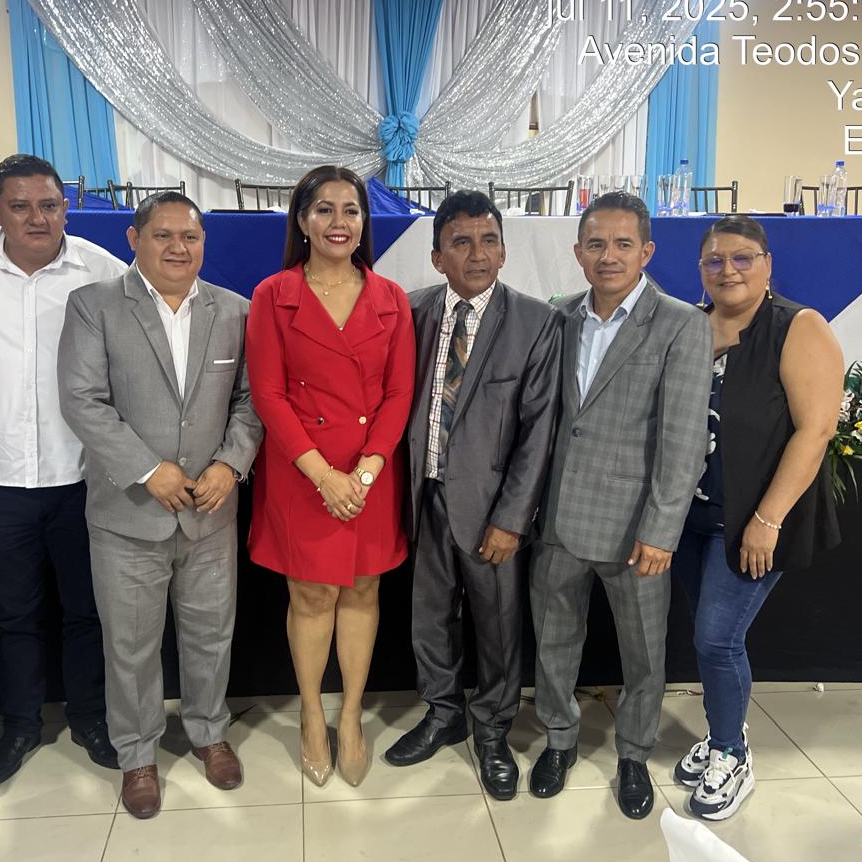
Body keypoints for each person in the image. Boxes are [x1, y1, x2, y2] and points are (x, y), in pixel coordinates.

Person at [58, 191, 261, 819]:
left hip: (210, 513)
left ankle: (209, 731)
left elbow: (252, 400)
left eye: (190, 237)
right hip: (127, 515)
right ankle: (138, 754)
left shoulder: (235, 310)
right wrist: (149, 470)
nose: (178, 247)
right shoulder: (94, 305)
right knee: (131, 645)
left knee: (211, 634)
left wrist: (231, 463)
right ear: (134, 239)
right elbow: (82, 399)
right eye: (164, 235)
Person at [0, 154, 126, 788]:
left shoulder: (102, 270)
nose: (36, 218)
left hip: (82, 477)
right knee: (13, 615)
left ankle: (90, 719)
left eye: (48, 205)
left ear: (65, 207)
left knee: (87, 612)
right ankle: (19, 727)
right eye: (19, 207)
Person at [530, 191, 711, 819]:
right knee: (554, 642)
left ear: (647, 251)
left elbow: (684, 440)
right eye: (596, 244)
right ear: (579, 252)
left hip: (637, 527)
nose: (609, 256)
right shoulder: (558, 317)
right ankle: (559, 740)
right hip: (558, 517)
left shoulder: (681, 324)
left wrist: (661, 529)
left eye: (623, 244)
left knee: (643, 653)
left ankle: (634, 753)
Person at [385, 190, 561, 800]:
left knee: (497, 624)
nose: (477, 254)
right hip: (423, 495)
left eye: (489, 241)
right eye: (461, 243)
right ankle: (442, 712)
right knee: (429, 615)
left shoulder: (536, 323)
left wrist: (512, 517)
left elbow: (539, 432)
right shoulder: (411, 312)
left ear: (505, 251)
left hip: (491, 510)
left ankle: (492, 728)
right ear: (437, 257)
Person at [245, 165, 414, 788]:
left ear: (365, 222)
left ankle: (351, 716)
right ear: (302, 220)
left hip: (371, 470)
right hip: (303, 470)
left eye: (351, 210)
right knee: (311, 596)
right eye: (324, 209)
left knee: (364, 591)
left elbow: (399, 393)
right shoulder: (273, 295)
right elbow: (268, 394)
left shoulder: (391, 297)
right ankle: (312, 715)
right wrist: (323, 476)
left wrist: (365, 472)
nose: (338, 222)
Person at [671, 215, 843, 820]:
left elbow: (816, 430)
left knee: (717, 639)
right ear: (700, 269)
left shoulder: (798, 327)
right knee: (709, 636)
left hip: (753, 521)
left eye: (743, 257)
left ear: (767, 265)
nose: (729, 270)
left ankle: (731, 753)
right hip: (691, 518)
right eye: (715, 260)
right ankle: (724, 728)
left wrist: (766, 521)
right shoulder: (690, 325)